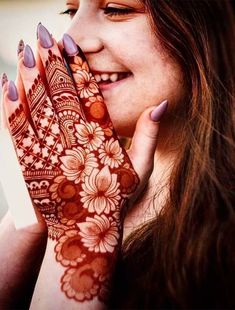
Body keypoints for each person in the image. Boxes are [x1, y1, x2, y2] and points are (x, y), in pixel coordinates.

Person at [0, 0, 234, 309]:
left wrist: (81, 244)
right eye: (70, 11)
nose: (74, 38)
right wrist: (26, 199)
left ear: (207, 25)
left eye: (116, 9)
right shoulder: (79, 179)